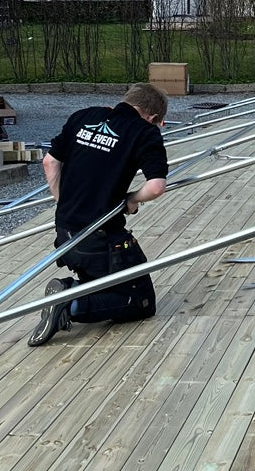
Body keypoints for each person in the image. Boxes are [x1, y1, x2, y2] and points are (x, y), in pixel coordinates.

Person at [28, 83, 170, 347]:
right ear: (152, 117)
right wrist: (132, 199)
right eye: (159, 123)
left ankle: (75, 292)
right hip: (102, 240)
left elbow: (50, 162)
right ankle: (70, 301)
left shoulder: (83, 116)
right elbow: (156, 186)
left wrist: (65, 204)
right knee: (141, 302)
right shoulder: (144, 132)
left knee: (107, 284)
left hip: (65, 234)